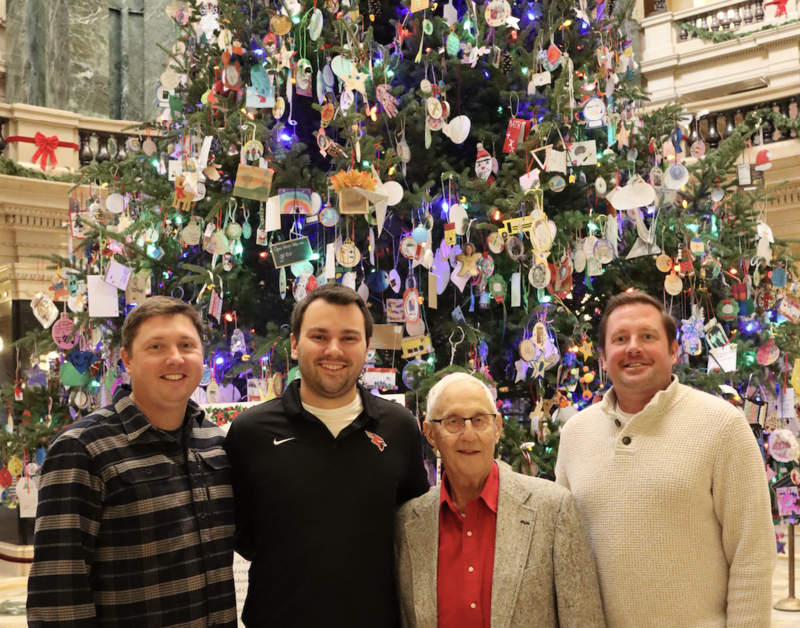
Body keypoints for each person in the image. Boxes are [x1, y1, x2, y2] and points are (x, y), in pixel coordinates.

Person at [556, 291, 776, 628]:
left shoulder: (722, 425)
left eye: (647, 336)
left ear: (673, 350)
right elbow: (565, 553)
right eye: (620, 339)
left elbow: (753, 552)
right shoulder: (574, 434)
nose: (633, 347)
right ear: (602, 357)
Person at [224, 283, 430, 627]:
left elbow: (411, 525)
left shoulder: (400, 428)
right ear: (294, 344)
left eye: (349, 338)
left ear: (367, 348)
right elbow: (237, 528)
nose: (333, 350)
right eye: (319, 336)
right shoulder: (250, 431)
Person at [27, 296, 237, 627]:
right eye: (156, 347)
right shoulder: (82, 449)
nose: (175, 358)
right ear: (127, 359)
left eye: (186, 345)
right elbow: (58, 595)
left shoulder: (215, 443)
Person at [396, 372, 605, 628]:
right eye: (453, 422)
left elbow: (584, 620)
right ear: (430, 434)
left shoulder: (553, 510)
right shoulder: (408, 525)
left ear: (497, 428)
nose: (469, 434)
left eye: (479, 420)